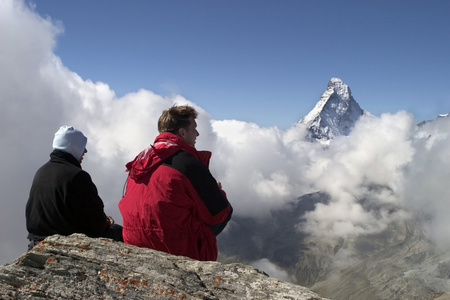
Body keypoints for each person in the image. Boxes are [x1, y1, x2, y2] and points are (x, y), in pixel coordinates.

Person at [119, 105, 232, 261]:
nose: (197, 133)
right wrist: (217, 191)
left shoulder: (141, 160)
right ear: (182, 132)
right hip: (173, 247)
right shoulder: (186, 163)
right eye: (194, 128)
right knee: (225, 207)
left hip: (134, 241)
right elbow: (219, 212)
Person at [26, 125, 123, 250]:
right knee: (121, 232)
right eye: (82, 146)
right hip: (63, 245)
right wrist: (106, 222)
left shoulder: (41, 172)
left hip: (36, 243)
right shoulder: (77, 176)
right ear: (73, 147)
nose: (85, 151)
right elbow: (96, 223)